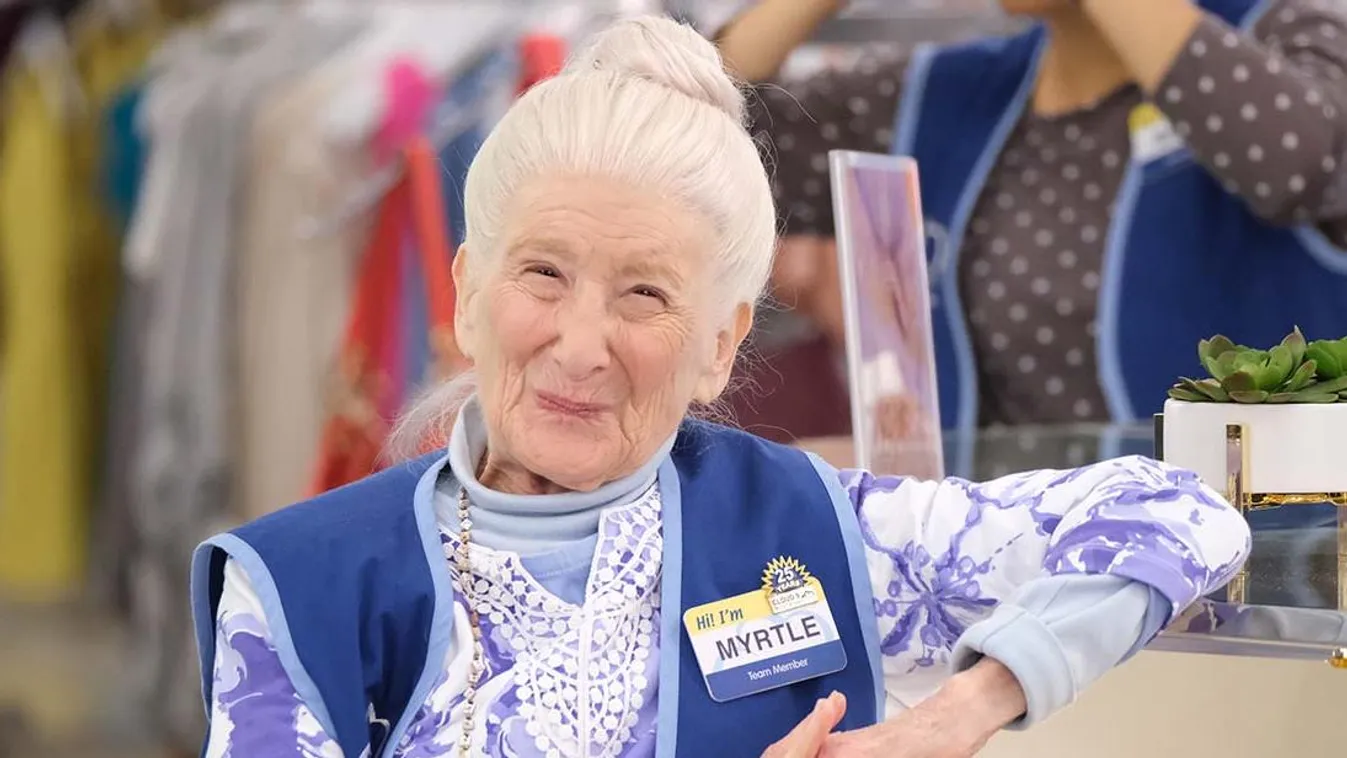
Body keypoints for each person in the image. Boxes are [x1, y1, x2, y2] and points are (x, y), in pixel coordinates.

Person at [189, 16, 1251, 758]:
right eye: (543, 273)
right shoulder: (300, 592)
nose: (580, 342)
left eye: (645, 294)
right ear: (468, 291)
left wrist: (962, 707)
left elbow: (1180, 511)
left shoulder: (824, 531)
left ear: (718, 344)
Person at [719, 0, 1347, 438]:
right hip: (1020, 563)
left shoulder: (1292, 34)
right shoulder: (951, 89)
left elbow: (1294, 165)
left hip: (1267, 570)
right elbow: (692, 124)